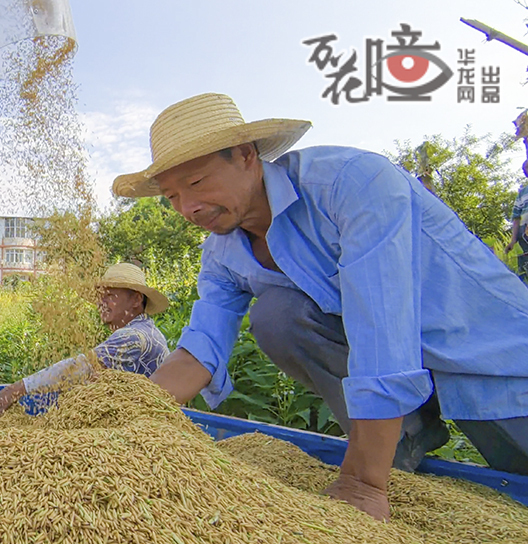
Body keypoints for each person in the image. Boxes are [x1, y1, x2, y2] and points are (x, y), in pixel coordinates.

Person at [112, 93, 528, 522]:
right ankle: (399, 443)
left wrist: (362, 485)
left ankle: (373, 465)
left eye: (196, 183)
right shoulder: (222, 255)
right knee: (277, 316)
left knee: (519, 474)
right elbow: (199, 350)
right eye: (172, 197)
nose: (187, 208)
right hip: (391, 389)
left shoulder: (351, 185)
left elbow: (380, 326)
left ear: (245, 155)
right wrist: (126, 410)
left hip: (489, 356)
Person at [0, 262, 170, 417]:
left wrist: (13, 391)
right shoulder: (147, 331)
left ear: (136, 300)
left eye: (110, 296)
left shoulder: (133, 337)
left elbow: (78, 368)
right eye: (100, 297)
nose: (101, 303)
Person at [504, 161, 528, 284]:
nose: (525, 171)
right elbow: (516, 218)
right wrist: (513, 240)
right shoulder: (522, 193)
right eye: (524, 169)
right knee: (524, 265)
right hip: (524, 232)